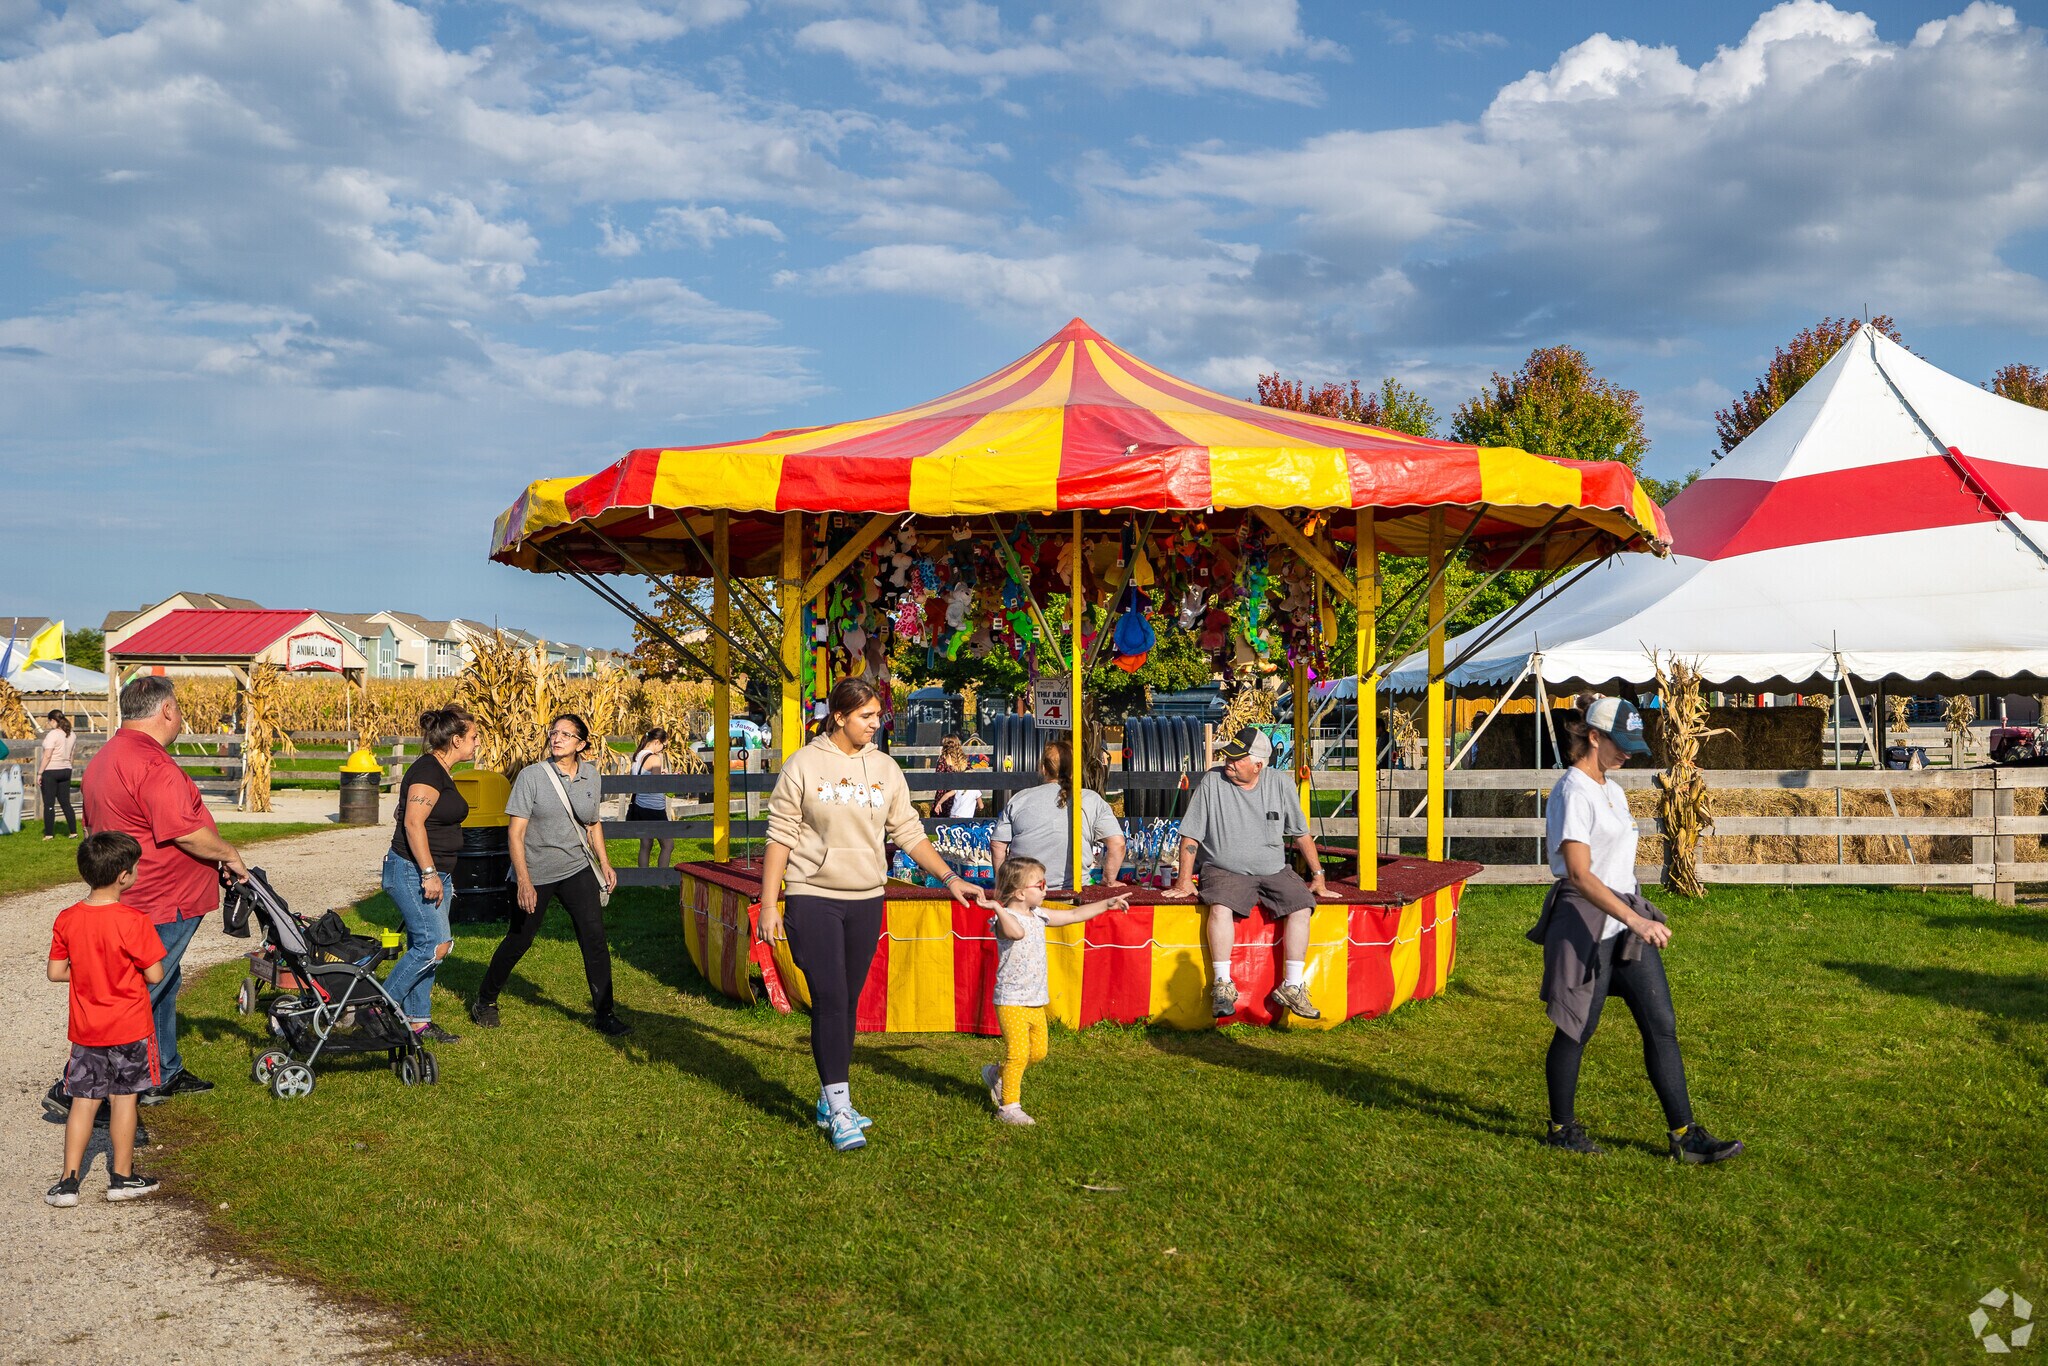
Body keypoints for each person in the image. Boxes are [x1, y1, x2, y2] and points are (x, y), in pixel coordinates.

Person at [758, 677, 995, 1152]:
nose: (875, 724)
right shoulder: (803, 764)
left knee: (847, 1000)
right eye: (866, 716)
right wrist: (770, 904)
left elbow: (908, 832)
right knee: (828, 995)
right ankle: (841, 1109)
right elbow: (779, 836)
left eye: (877, 716)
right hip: (812, 896)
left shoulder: (886, 768)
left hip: (868, 898)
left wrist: (950, 879)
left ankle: (831, 1098)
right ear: (840, 716)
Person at [1529, 699, 1743, 1164]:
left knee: (1661, 1025)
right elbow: (1581, 875)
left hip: (1625, 920)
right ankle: (1561, 1128)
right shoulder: (1572, 791)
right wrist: (1636, 920)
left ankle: (1685, 1135)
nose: (1628, 754)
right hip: (1585, 923)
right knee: (1576, 1030)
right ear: (1593, 737)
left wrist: (1634, 912)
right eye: (1620, 744)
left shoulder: (1613, 790)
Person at [47, 675, 248, 1120]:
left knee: (165, 982)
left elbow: (90, 827)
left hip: (135, 892)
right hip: (163, 897)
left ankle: (163, 1072)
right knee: (137, 989)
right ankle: (75, 1084)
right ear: (167, 711)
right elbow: (184, 832)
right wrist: (230, 855)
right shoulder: (151, 763)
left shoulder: (105, 757)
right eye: (178, 708)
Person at [470, 714, 627, 1036]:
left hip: (576, 867)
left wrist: (605, 862)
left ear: (581, 744)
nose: (557, 739)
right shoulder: (532, 777)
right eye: (554, 733)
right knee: (520, 939)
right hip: (536, 871)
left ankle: (605, 1013)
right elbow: (515, 834)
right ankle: (485, 1000)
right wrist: (524, 882)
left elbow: (592, 822)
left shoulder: (591, 776)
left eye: (566, 735)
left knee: (594, 938)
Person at [1164, 725, 1331, 1022]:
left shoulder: (1280, 784)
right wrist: (1184, 881)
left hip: (1274, 870)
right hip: (1224, 868)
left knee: (1303, 904)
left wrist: (1318, 875)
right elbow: (1190, 836)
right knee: (1220, 906)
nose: (1228, 761)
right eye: (1228, 755)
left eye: (1236, 758)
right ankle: (1222, 984)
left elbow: (1302, 834)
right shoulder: (1211, 782)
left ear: (1258, 765)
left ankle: (1292, 986)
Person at [46, 832, 167, 1207]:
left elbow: (55, 972)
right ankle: (122, 1178)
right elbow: (156, 975)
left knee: (83, 1101)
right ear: (124, 876)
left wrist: (87, 974)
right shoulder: (134, 920)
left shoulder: (67, 918)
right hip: (130, 1026)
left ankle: (68, 1183)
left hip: (87, 1030)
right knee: (124, 1101)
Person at [979, 856, 1127, 1126]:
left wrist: (1106, 904)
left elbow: (1073, 915)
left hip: (1036, 999)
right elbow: (1015, 934)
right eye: (1041, 884)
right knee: (1019, 1054)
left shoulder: (1039, 914)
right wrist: (998, 908)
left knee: (1038, 1053)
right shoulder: (1004, 919)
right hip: (1011, 1000)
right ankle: (1009, 1107)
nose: (1046, 889)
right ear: (1022, 892)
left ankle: (997, 1075)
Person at [383, 705, 477, 1045]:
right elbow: (412, 823)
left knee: (424, 946)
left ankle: (418, 1021)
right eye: (473, 737)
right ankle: (379, 1008)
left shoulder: (440, 770)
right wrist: (428, 873)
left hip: (436, 873)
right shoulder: (428, 771)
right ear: (455, 740)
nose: (477, 743)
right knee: (434, 946)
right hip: (414, 872)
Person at [990, 738, 1126, 890]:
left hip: (1024, 891)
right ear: (1075, 771)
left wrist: (1001, 884)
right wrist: (1109, 881)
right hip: (1075, 890)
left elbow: (997, 845)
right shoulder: (1091, 799)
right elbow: (1118, 844)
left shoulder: (1019, 798)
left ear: (1042, 768)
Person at [626, 727, 676, 870]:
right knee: (668, 844)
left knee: (646, 844)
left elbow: (646, 779)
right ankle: (661, 881)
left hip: (640, 805)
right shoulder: (654, 758)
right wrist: (669, 778)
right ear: (656, 742)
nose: (662, 749)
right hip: (654, 807)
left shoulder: (637, 757)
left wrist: (661, 774)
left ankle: (644, 881)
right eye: (663, 745)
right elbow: (656, 786)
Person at [37, 710, 78, 840]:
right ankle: (73, 832)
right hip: (66, 769)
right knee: (65, 802)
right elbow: (72, 755)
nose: (49, 724)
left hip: (51, 770)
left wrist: (40, 772)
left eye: (49, 722)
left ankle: (49, 834)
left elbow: (47, 755)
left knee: (49, 803)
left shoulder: (53, 734)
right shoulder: (72, 734)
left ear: (53, 720)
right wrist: (68, 767)